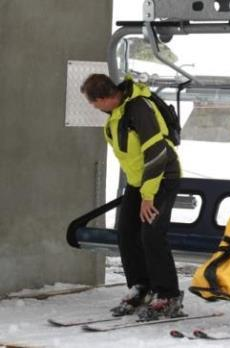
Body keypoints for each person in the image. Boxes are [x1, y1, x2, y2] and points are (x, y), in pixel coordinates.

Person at [80, 74, 183, 321]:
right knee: (127, 233)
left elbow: (157, 152)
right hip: (140, 182)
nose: (94, 108)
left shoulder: (139, 109)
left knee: (151, 234)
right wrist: (140, 190)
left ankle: (168, 294)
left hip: (162, 178)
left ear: (104, 98)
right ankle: (141, 287)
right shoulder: (118, 112)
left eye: (94, 103)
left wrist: (149, 196)